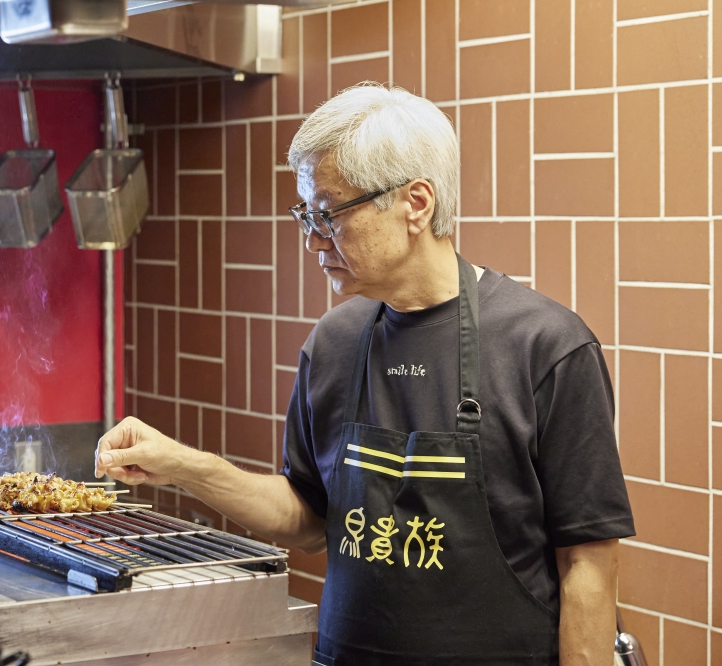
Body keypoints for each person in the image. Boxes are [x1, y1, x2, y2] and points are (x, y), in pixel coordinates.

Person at [96, 83, 634, 665]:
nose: (310, 238)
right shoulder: (334, 342)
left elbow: (588, 563)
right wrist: (181, 465)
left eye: (329, 213)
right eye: (306, 214)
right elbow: (305, 519)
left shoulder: (546, 346)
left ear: (416, 203)